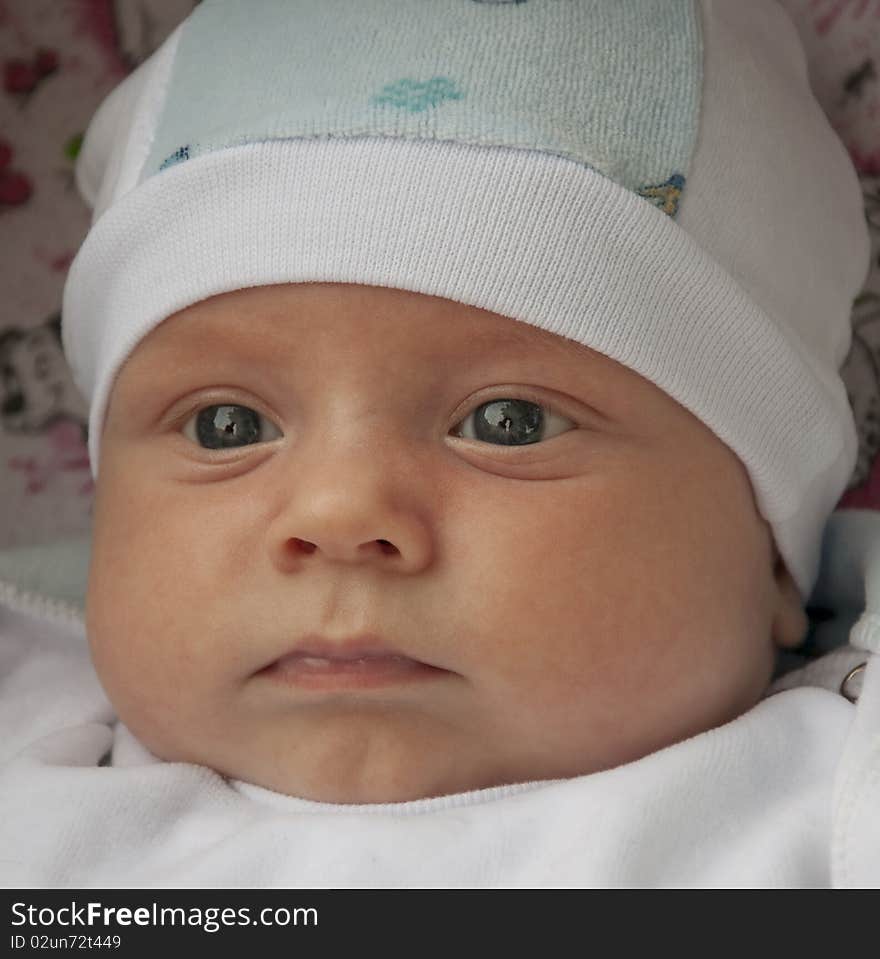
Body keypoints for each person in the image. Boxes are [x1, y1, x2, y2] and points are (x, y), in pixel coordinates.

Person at [1, 0, 878, 887]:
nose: (340, 514)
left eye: (510, 422)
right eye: (226, 427)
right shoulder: (33, 761)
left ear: (769, 554)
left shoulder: (832, 803)